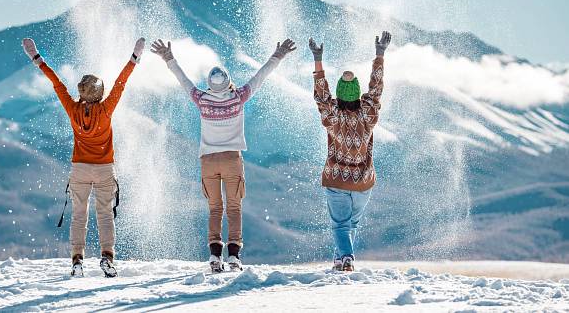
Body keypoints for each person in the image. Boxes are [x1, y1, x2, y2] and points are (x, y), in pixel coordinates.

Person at [150, 38, 296, 272]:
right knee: (234, 208)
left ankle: (215, 256)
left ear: (209, 84)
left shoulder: (202, 100)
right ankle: (234, 256)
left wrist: (169, 58)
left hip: (208, 161)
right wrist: (278, 54)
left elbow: (183, 80)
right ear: (229, 83)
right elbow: (260, 76)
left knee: (215, 209)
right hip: (231, 159)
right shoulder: (238, 98)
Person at [21, 37, 146, 277]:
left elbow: (57, 84)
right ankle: (107, 258)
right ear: (99, 93)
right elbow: (121, 83)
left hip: (79, 169)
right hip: (104, 170)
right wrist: (134, 58)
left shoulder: (73, 110)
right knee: (105, 215)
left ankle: (77, 260)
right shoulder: (106, 110)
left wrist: (36, 58)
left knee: (79, 215)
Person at [309, 31, 391, 271]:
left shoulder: (332, 117)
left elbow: (322, 96)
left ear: (339, 94)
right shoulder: (368, 114)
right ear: (356, 93)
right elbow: (376, 90)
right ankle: (340, 259)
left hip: (336, 179)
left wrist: (318, 60)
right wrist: (380, 54)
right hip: (363, 182)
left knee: (340, 225)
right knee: (351, 224)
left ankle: (346, 257)